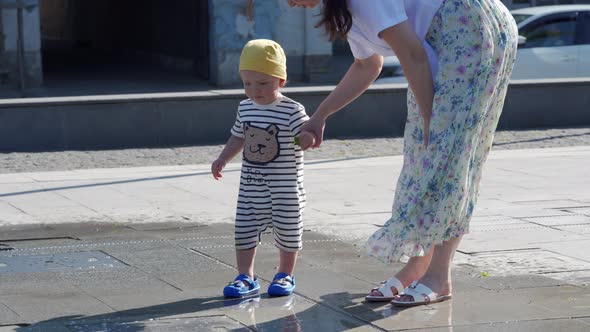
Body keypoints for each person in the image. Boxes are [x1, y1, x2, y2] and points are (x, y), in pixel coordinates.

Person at [287, 0, 518, 306]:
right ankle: (419, 265)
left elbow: (412, 54)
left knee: (450, 160)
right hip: (444, 41)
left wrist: (429, 121)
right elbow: (367, 65)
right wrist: (320, 116)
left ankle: (439, 276)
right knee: (424, 159)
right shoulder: (345, 9)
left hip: (473, 28)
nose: (287, 3)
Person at [211, 39, 315, 298]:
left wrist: (307, 138)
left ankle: (285, 273)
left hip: (284, 189)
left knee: (289, 230)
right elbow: (239, 137)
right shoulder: (245, 107)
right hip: (251, 187)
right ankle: (246, 276)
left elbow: (307, 131)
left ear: (280, 80)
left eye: (262, 83)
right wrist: (223, 158)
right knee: (244, 229)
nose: (254, 91)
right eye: (247, 83)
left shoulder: (292, 110)